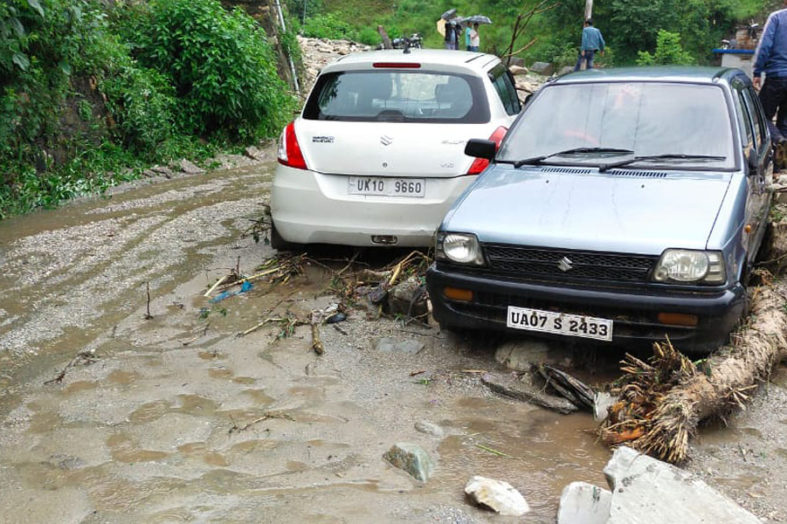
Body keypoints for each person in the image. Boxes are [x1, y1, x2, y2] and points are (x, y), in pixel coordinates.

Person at [753, 0, 787, 142]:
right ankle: (781, 162)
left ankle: (778, 139)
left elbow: (765, 47)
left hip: (776, 77)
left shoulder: (777, 18)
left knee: (761, 115)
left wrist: (757, 72)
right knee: (785, 123)